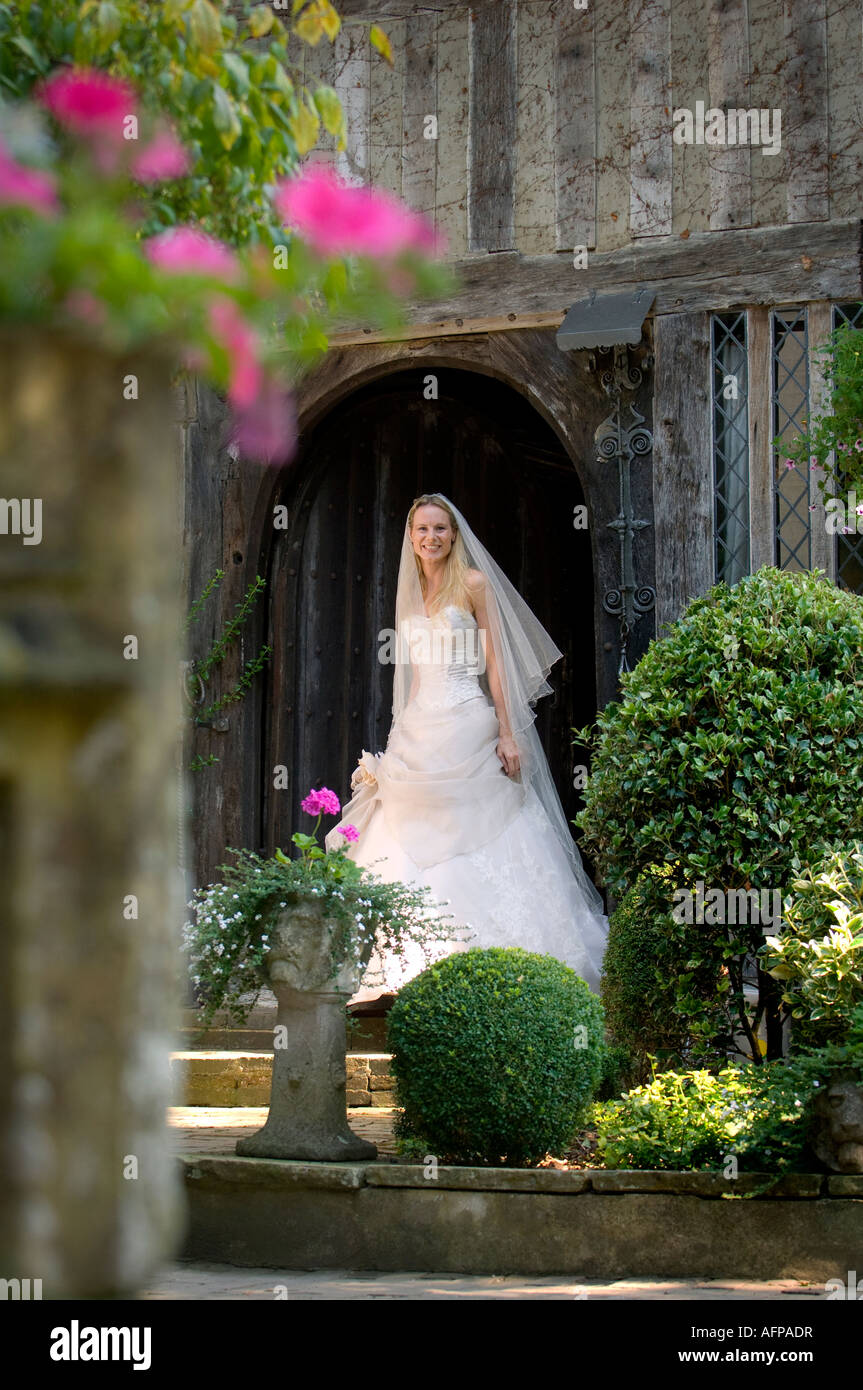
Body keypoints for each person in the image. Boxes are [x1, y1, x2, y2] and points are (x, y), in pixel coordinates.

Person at [324, 492, 608, 1002]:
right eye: (422, 530)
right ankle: (402, 967)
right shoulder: (409, 594)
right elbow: (412, 678)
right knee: (397, 833)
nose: (431, 538)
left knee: (492, 829)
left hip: (468, 724)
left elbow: (496, 663)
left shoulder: (472, 585)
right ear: (411, 537)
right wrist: (395, 744)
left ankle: (505, 969)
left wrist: (506, 730)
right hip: (419, 727)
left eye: (440, 529)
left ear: (454, 535)